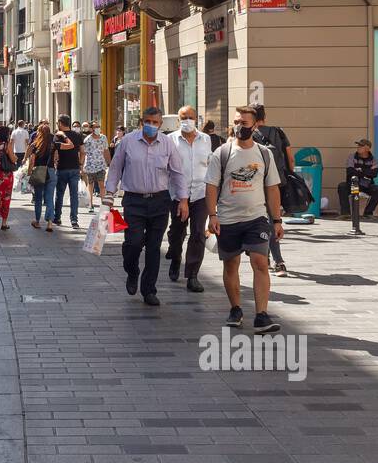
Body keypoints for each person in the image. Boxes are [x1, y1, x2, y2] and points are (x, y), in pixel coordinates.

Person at [205, 110, 286, 334]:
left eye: (245, 122)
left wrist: (277, 220)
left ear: (255, 125)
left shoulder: (264, 154)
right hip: (228, 219)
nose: (240, 126)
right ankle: (236, 309)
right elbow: (211, 186)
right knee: (231, 265)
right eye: (237, 122)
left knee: (260, 263)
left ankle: (261, 315)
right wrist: (212, 215)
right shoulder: (221, 153)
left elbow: (272, 188)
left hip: (257, 219)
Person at [102, 107, 190, 307]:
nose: (151, 125)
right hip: (134, 201)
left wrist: (183, 200)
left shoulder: (167, 144)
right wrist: (109, 194)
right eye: (147, 121)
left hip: (160, 201)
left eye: (155, 122)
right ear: (141, 122)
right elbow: (116, 168)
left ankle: (149, 289)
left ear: (160, 124)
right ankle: (132, 272)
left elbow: (177, 173)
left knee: (153, 247)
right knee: (133, 243)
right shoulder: (128, 142)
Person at [167, 106, 212, 292]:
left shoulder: (206, 139)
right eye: (183, 117)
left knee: (198, 233)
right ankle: (176, 257)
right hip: (177, 194)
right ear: (178, 120)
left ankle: (192, 275)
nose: (187, 120)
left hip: (201, 194)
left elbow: (210, 165)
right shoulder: (170, 140)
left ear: (197, 119)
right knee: (177, 232)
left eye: (191, 117)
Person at [242, 105, 291, 276]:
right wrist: (288, 176)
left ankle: (277, 261)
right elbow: (289, 157)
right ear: (265, 117)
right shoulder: (278, 132)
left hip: (256, 185)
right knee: (271, 221)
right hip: (277, 183)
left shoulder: (248, 135)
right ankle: (270, 258)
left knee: (268, 222)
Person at [339, 138, 378, 218]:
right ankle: (345, 213)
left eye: (361, 146)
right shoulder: (352, 157)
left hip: (366, 185)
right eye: (358, 145)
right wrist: (366, 172)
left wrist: (359, 170)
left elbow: (374, 174)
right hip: (353, 184)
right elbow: (350, 172)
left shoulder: (373, 160)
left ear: (367, 148)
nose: (358, 147)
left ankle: (368, 213)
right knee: (342, 186)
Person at [52, 116, 84, 229]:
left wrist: (55, 162)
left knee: (59, 194)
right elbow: (83, 151)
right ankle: (74, 220)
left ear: (60, 123)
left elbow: (55, 152)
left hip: (62, 168)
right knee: (74, 195)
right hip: (75, 168)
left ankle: (57, 217)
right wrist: (80, 164)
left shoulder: (58, 135)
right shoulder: (77, 135)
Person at [27, 124, 58, 231]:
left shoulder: (36, 144)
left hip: (39, 170)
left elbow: (32, 160)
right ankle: (50, 223)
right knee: (49, 198)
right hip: (51, 171)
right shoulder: (53, 144)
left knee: (38, 198)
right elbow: (56, 158)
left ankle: (37, 221)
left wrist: (29, 171)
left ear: (39, 132)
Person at [80, 122, 110, 214]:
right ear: (91, 128)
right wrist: (81, 166)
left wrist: (110, 162)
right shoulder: (87, 140)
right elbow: (83, 153)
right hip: (90, 165)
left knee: (102, 185)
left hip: (101, 165)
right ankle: (91, 204)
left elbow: (106, 150)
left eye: (98, 126)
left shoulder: (103, 138)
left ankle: (103, 205)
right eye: (95, 127)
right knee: (90, 185)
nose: (97, 128)